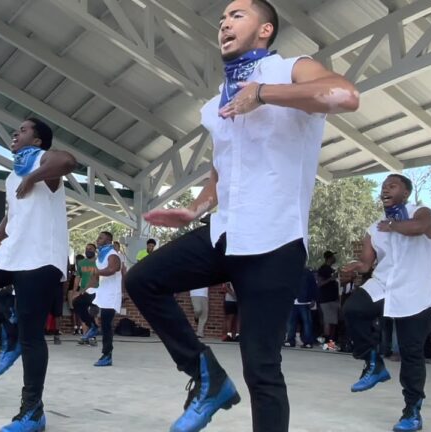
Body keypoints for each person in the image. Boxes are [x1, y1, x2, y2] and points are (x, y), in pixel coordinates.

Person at [123, 1, 359, 431]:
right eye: (222, 19)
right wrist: (195, 208)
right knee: (142, 279)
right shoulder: (219, 99)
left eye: (236, 16)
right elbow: (223, 168)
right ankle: (207, 377)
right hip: (226, 232)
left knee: (261, 366)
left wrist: (264, 93)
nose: (224, 24)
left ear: (265, 29)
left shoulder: (290, 69)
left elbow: (345, 95)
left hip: (275, 239)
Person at [0, 117, 75, 432]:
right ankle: (6, 335)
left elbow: (67, 161)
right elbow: (13, 213)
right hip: (13, 252)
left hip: (41, 257)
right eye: (16, 130)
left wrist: (33, 177)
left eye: (23, 130)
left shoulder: (44, 161)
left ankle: (32, 412)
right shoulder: (12, 176)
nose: (15, 133)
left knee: (32, 336)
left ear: (37, 140)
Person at [342, 174, 431, 432]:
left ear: (405, 193)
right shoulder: (374, 228)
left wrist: (394, 225)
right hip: (384, 284)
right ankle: (373, 363)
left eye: (392, 185)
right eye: (383, 186)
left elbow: (418, 228)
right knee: (353, 309)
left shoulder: (422, 212)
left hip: (416, 291)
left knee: (411, 353)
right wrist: (358, 265)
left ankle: (412, 412)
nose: (385, 189)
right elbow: (367, 262)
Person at [91, 231, 122, 367]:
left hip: (111, 294)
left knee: (106, 325)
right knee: (81, 303)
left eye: (101, 238)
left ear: (108, 241)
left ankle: (107, 355)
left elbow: (112, 269)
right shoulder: (101, 255)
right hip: (102, 291)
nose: (97, 240)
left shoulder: (112, 254)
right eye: (98, 237)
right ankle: (93, 327)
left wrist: (98, 272)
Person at [285, 268, 317, 348]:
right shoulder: (290, 272)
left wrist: (313, 299)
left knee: (307, 323)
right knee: (291, 322)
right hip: (292, 301)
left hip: (304, 301)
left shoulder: (307, 273)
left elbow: (313, 286)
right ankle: (290, 340)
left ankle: (308, 342)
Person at [72, 244, 98, 338]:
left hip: (96, 291)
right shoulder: (81, 263)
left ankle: (92, 337)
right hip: (83, 291)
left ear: (95, 250)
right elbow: (77, 277)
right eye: (86, 249)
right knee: (81, 310)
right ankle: (85, 335)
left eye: (90, 249)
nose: (88, 250)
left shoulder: (98, 262)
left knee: (93, 313)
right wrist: (75, 291)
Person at [317, 265, 340, 344]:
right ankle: (327, 340)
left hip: (333, 300)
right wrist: (331, 279)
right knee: (328, 321)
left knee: (333, 321)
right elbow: (319, 284)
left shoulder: (333, 276)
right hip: (326, 300)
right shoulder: (322, 274)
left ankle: (330, 340)